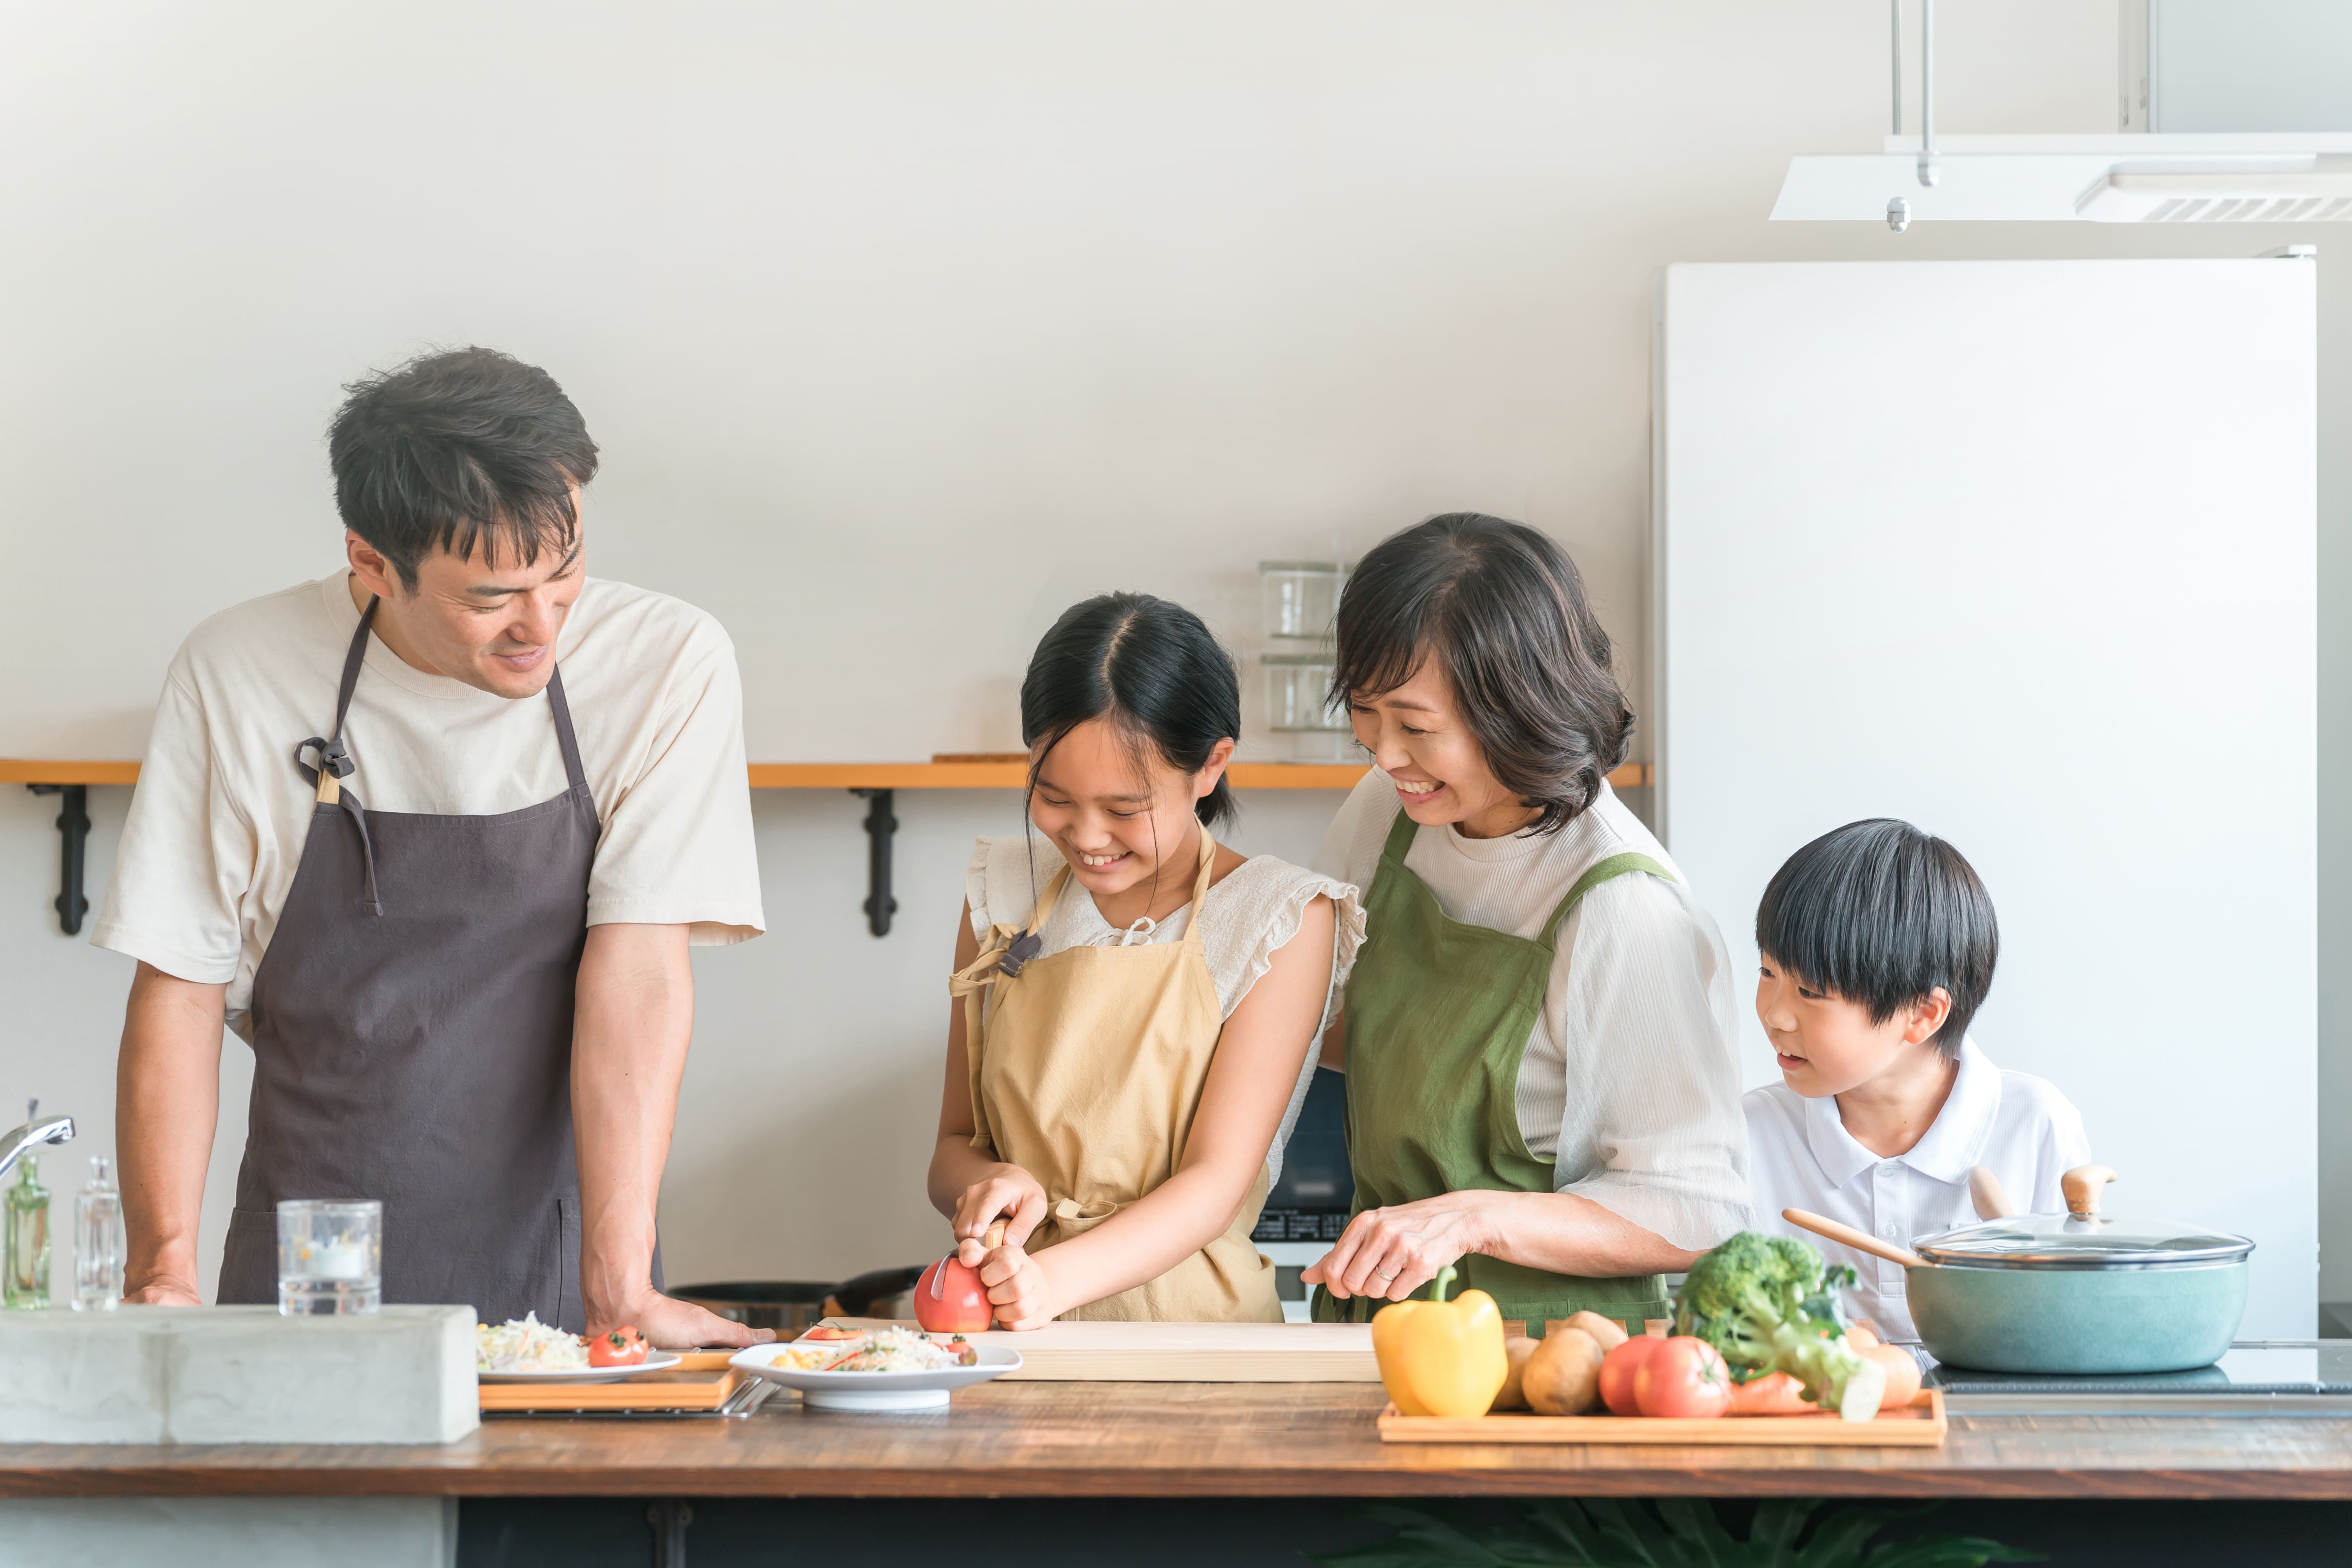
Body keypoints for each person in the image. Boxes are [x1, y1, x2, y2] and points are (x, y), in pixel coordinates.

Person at [95, 347, 769, 1347]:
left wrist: (618, 1282)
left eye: (565, 571)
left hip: (564, 1273)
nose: (540, 624)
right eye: (492, 597)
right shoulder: (239, 669)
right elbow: (180, 985)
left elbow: (638, 971)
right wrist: (163, 1275)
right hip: (310, 1276)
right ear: (371, 560)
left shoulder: (666, 663)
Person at [1303, 514, 1748, 1327]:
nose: (1382, 753)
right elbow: (1336, 1023)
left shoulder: (1625, 906)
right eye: (1365, 713)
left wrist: (1474, 1217)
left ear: (1515, 707)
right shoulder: (1388, 814)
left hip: (1555, 1347)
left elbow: (1696, 1204)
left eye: (1416, 726)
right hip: (1388, 1326)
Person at [935, 594, 1364, 1325]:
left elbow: (1213, 1186)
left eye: (1126, 808)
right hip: (1006, 1321)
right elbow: (950, 1150)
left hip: (1194, 1338)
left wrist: (1051, 1282)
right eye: (1052, 794)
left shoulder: (1282, 915)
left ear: (1211, 765)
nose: (1086, 834)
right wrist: (992, 1185)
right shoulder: (1002, 890)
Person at [1743, 819, 2092, 1343]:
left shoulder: (2035, 1123)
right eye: (1768, 973)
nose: (1774, 1015)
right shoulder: (1749, 1132)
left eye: (1810, 991)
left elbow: (2073, 1327)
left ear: (1923, 1013)